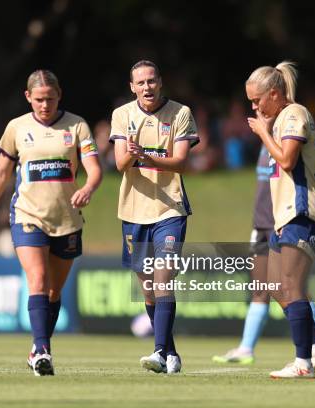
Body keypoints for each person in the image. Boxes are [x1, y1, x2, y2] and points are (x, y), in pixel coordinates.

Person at [0, 70, 102, 376]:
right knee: (38, 279)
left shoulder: (77, 126)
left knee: (53, 293)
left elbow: (95, 169)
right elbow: (1, 174)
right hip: (28, 216)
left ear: (59, 95)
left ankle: (38, 347)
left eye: (50, 99)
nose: (44, 105)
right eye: (38, 99)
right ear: (27, 97)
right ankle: (42, 350)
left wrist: (87, 188)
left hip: (68, 221)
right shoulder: (17, 127)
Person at [212, 144, 315, 373]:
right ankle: (246, 348)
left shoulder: (286, 134)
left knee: (295, 288)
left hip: (286, 221)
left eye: (259, 105)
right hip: (262, 224)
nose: (257, 109)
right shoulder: (265, 138)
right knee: (265, 287)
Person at [110, 60, 199, 374]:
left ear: (160, 82)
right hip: (134, 211)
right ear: (131, 86)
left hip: (170, 209)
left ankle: (159, 352)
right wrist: (131, 154)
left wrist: (145, 156)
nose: (146, 87)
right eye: (140, 83)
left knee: (163, 278)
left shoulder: (180, 113)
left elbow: (180, 163)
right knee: (147, 288)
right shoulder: (122, 115)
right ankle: (171, 352)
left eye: (151, 81)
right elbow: (120, 165)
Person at [245, 61, 315, 379]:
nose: (254, 107)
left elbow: (286, 159)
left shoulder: (294, 114)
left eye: (257, 100)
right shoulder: (284, 117)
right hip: (285, 215)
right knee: (279, 288)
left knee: (290, 286)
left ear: (275, 94)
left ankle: (304, 361)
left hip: (302, 211)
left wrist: (264, 132)